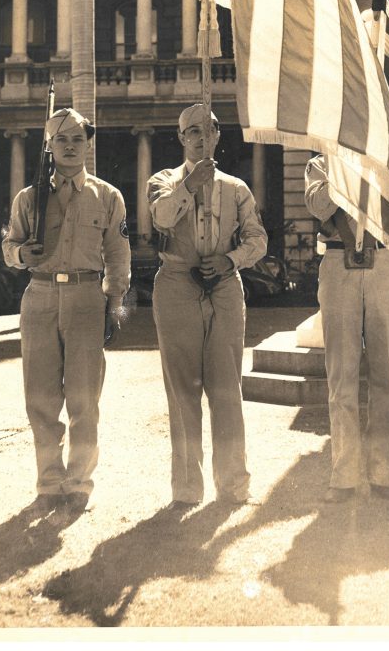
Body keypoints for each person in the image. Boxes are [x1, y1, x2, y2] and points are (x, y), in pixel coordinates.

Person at [2, 108, 131, 514]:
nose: (71, 146)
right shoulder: (29, 198)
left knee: (83, 397)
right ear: (49, 146)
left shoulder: (107, 196)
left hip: (86, 298)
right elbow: (9, 248)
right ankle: (49, 483)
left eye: (78, 138)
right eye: (62, 139)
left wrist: (114, 303)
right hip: (39, 297)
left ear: (88, 143)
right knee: (40, 397)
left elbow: (117, 254)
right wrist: (24, 252)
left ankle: (78, 483)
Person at [147, 104, 267, 510]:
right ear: (181, 138)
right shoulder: (163, 180)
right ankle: (186, 487)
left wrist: (231, 259)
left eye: (208, 130)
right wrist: (190, 186)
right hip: (177, 283)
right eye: (191, 132)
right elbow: (162, 218)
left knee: (226, 387)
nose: (200, 138)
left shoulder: (235, 189)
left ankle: (233, 484)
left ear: (218, 135)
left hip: (224, 286)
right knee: (182, 391)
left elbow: (258, 239)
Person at [304, 154, 389, 504]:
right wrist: (346, 167)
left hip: (386, 261)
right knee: (342, 376)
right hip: (339, 263)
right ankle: (344, 475)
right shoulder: (319, 164)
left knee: (386, 376)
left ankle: (386, 474)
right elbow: (318, 206)